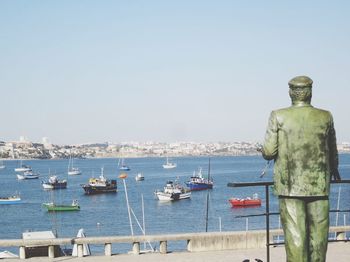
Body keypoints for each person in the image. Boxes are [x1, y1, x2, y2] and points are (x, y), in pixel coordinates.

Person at [259, 76, 341, 262]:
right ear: (310, 92)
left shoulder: (278, 115)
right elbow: (332, 150)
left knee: (296, 237)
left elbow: (270, 152)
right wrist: (334, 168)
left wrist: (263, 151)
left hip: (289, 188)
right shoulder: (325, 116)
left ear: (290, 92)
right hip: (319, 186)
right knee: (319, 238)